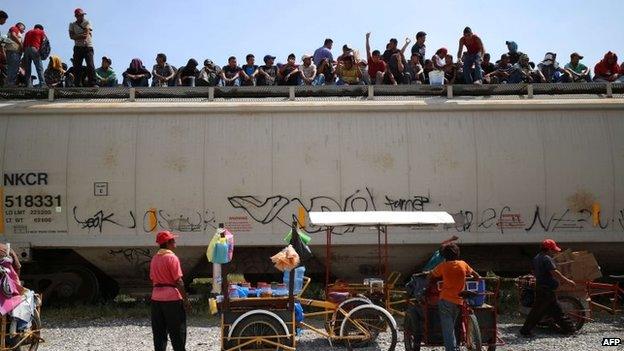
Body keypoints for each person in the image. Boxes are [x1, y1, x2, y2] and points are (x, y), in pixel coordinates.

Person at [520, 239, 576, 337]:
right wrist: (567, 281)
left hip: (541, 288)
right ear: (549, 249)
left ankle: (570, 329)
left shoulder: (536, 258)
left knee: (554, 311)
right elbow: (554, 272)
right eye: (553, 250)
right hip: (546, 290)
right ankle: (525, 330)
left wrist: (540, 277)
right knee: (540, 312)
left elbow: (533, 271)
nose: (554, 252)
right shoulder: (547, 258)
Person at [428, 243, 480, 351]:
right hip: (459, 300)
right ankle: (456, 346)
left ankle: (451, 349)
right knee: (453, 324)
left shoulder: (443, 266)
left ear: (444, 256)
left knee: (448, 329)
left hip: (446, 300)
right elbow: (477, 276)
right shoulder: (463, 264)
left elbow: (431, 275)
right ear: (457, 254)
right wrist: (469, 277)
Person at [150, 230, 190, 351]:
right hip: (172, 299)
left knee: (159, 334)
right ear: (168, 243)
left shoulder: (154, 259)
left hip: (156, 299)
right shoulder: (172, 258)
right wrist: (186, 300)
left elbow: (153, 279)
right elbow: (179, 281)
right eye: (173, 240)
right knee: (177, 333)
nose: (175, 241)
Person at [68, 8, 95, 86]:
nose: (82, 16)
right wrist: (79, 35)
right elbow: (71, 36)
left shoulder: (87, 22)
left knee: (90, 65)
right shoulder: (72, 24)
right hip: (77, 47)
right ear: (76, 16)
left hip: (87, 47)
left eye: (83, 15)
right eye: (80, 15)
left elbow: (85, 35)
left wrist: (76, 36)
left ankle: (93, 83)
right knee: (77, 66)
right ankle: (77, 83)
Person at [4, 22, 25, 87]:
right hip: (13, 52)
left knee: (14, 68)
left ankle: (9, 83)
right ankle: (10, 84)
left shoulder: (18, 32)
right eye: (23, 28)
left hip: (15, 53)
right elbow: (13, 35)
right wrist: (20, 44)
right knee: (13, 68)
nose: (23, 30)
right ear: (19, 26)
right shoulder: (15, 28)